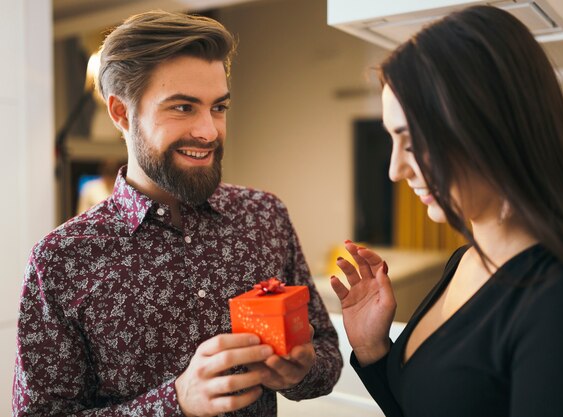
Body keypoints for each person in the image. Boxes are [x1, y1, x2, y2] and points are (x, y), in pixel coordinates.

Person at [13, 11, 341, 417]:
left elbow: (325, 349)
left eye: (218, 107)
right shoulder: (59, 261)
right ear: (120, 113)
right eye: (183, 108)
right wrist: (174, 402)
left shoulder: (265, 217)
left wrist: (301, 372)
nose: (209, 131)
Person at [330, 6, 563, 417]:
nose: (396, 170)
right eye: (392, 142)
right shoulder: (465, 261)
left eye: (412, 142)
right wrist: (372, 348)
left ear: (487, 130)